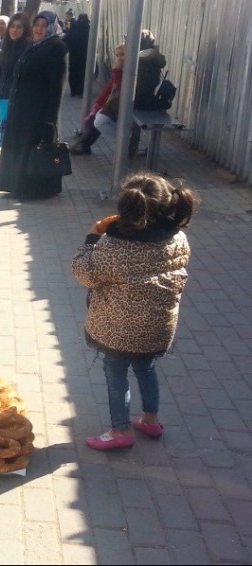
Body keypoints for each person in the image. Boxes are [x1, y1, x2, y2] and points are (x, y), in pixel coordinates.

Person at [71, 173, 200, 451]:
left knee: (115, 372)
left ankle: (120, 430)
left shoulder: (113, 244)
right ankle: (151, 420)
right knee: (146, 367)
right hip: (158, 328)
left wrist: (91, 238)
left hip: (118, 329)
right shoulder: (178, 238)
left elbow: (86, 273)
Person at [0, 11, 68, 200]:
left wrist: (51, 118)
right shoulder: (34, 46)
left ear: (51, 27)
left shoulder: (57, 47)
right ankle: (16, 187)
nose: (39, 29)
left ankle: (34, 190)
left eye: (44, 25)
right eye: (37, 25)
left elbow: (57, 86)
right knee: (17, 148)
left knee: (33, 150)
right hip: (20, 109)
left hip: (38, 112)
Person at [70, 30, 167, 156]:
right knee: (97, 116)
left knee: (99, 120)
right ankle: (85, 144)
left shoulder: (142, 60)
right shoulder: (141, 59)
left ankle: (125, 137)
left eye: (129, 42)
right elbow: (114, 88)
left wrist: (116, 72)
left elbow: (129, 88)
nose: (127, 45)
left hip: (136, 102)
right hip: (134, 100)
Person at [0, 12, 30, 148]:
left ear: (25, 30)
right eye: (12, 26)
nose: (14, 30)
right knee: (5, 140)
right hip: (4, 98)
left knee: (14, 141)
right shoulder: (7, 45)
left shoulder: (28, 49)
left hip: (18, 102)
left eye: (19, 27)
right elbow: (1, 74)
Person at [64, 13, 90, 97]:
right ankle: (81, 91)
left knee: (73, 72)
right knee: (82, 73)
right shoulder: (89, 29)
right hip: (84, 55)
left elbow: (67, 39)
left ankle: (74, 90)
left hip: (73, 55)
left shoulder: (73, 29)